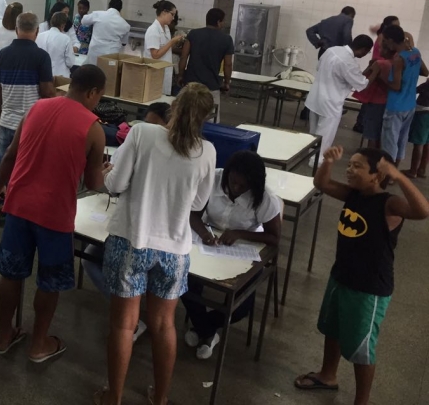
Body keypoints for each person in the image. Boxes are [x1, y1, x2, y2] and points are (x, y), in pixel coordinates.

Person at [96, 83, 216, 405]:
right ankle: (160, 398)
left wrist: (106, 173)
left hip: (131, 241)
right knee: (164, 326)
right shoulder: (207, 152)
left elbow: (116, 184)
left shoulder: (142, 133)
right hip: (173, 250)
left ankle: (113, 397)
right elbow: (197, 204)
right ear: (206, 117)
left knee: (124, 325)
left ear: (173, 107)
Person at [294, 146, 429, 405]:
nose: (349, 169)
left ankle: (361, 401)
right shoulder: (353, 194)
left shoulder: (389, 204)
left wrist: (399, 176)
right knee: (332, 329)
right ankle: (328, 375)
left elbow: (423, 211)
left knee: (361, 349)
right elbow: (321, 183)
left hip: (368, 288)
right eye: (350, 164)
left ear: (377, 175)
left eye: (357, 166)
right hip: (341, 275)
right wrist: (329, 161)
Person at [0, 65, 107, 363]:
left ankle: (4, 336)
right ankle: (39, 344)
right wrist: (106, 172)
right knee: (49, 281)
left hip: (18, 204)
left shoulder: (37, 108)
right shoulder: (94, 128)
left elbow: (10, 155)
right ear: (93, 93)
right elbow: (94, 183)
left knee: (10, 274)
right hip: (55, 214)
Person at [80, 100, 173, 344]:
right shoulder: (133, 144)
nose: (149, 131)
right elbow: (112, 186)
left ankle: (135, 315)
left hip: (157, 235)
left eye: (156, 126)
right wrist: (107, 174)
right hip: (127, 223)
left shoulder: (177, 155)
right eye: (146, 125)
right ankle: (130, 314)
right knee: (89, 257)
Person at [183, 151, 282, 360]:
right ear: (227, 173)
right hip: (209, 241)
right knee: (184, 280)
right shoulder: (213, 179)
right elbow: (193, 215)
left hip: (244, 249)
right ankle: (207, 333)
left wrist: (240, 234)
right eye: (233, 182)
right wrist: (205, 234)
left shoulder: (265, 198)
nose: (236, 188)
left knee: (241, 307)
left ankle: (203, 328)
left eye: (242, 186)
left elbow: (274, 238)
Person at [0, 12, 55, 183]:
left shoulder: (2, 54)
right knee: (26, 167)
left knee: (3, 163)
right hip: (31, 123)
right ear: (37, 30)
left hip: (7, 120)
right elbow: (47, 92)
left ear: (16, 29)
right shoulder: (42, 57)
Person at [305, 35, 374, 165]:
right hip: (330, 103)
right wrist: (375, 70)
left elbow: (319, 68)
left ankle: (311, 155)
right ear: (364, 49)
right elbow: (362, 84)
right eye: (368, 52)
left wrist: (368, 69)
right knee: (325, 136)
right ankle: (316, 162)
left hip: (315, 98)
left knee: (313, 133)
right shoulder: (349, 62)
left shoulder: (332, 50)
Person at [381, 25, 428, 166]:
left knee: (390, 142)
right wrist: (410, 73)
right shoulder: (415, 52)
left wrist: (382, 78)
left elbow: (396, 86)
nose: (385, 44)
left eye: (385, 41)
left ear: (391, 40)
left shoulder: (399, 59)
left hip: (396, 106)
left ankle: (388, 173)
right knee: (402, 140)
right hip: (410, 104)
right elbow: (425, 72)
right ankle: (395, 170)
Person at [178, 8, 234, 123]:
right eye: (223, 21)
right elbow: (228, 64)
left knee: (187, 117)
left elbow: (184, 57)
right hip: (211, 87)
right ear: (218, 22)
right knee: (211, 120)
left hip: (191, 85)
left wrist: (180, 75)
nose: (223, 24)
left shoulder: (193, 34)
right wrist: (227, 83)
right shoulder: (226, 39)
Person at [354, 46, 395, 149]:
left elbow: (365, 79)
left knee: (371, 133)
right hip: (388, 101)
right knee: (380, 133)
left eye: (382, 48)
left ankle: (370, 155)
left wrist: (369, 67)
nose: (379, 50)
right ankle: (377, 154)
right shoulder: (395, 64)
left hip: (375, 101)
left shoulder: (379, 64)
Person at [144, 0, 185, 97]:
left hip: (164, 72)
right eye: (172, 14)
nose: (173, 18)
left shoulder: (165, 28)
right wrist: (172, 41)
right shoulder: (153, 30)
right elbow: (155, 55)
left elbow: (165, 49)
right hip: (155, 73)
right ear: (164, 12)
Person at [82, 0, 131, 68]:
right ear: (120, 9)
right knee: (108, 72)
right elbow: (124, 43)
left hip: (95, 51)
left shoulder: (98, 14)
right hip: (111, 55)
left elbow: (83, 21)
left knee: (92, 71)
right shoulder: (126, 25)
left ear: (109, 5)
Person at [36, 12, 75, 79]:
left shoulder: (39, 36)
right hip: (60, 76)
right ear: (63, 25)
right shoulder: (66, 39)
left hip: (41, 75)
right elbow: (70, 63)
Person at [404, 81, 429, 179]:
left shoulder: (426, 85)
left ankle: (413, 171)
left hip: (423, 113)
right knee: (427, 143)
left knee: (419, 143)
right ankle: (421, 169)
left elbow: (413, 91)